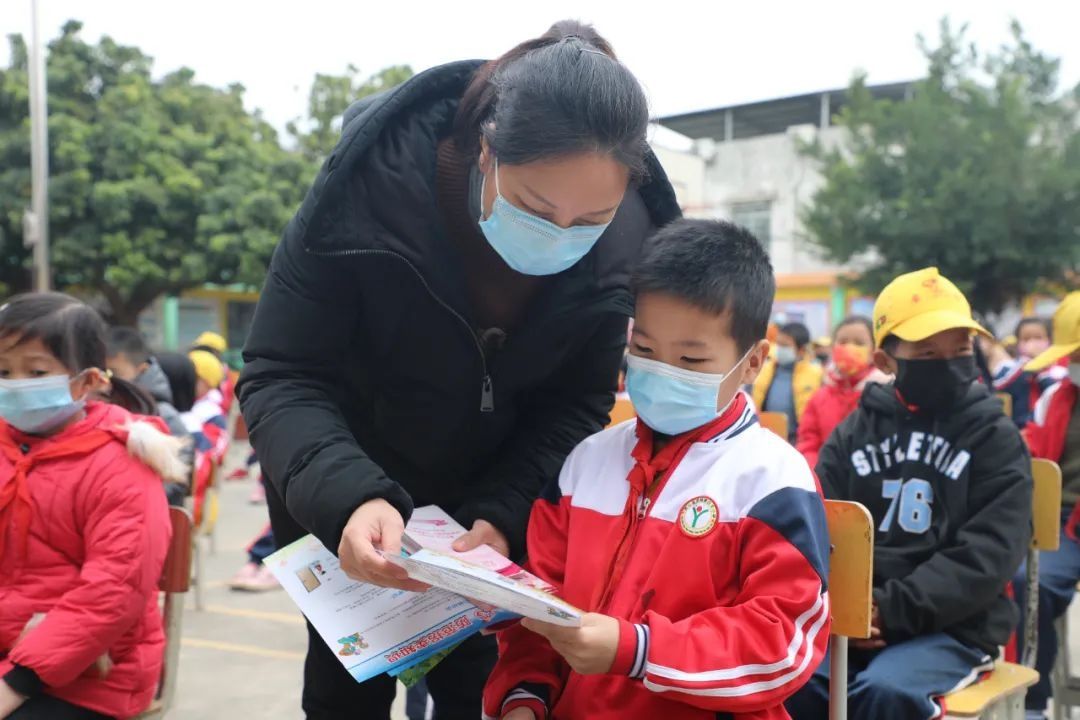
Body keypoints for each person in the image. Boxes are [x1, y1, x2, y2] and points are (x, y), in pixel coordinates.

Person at [237, 19, 679, 719]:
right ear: (485, 151)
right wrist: (351, 499)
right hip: (345, 486)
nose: (561, 234)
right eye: (536, 207)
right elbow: (281, 371)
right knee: (344, 689)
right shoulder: (361, 197)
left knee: (488, 687)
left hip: (486, 518)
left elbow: (574, 405)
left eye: (590, 217)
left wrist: (503, 515)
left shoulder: (624, 251)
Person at [483, 219, 829, 720]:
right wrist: (524, 698)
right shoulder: (587, 463)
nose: (663, 371)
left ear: (752, 363)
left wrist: (639, 650)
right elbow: (537, 607)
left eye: (690, 359)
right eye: (643, 350)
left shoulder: (771, 480)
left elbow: (781, 642)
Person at [786, 267, 1033, 720]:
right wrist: (847, 608)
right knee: (788, 680)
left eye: (961, 348)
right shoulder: (852, 433)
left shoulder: (995, 437)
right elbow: (820, 525)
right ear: (885, 362)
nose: (951, 362)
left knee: (885, 694)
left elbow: (990, 551)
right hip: (855, 621)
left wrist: (891, 610)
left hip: (954, 627)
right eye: (928, 351)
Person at [0, 292, 189, 720]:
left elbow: (112, 593)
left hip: (91, 676)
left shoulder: (121, 463)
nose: (14, 384)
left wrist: (17, 682)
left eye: (36, 371)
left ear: (88, 382)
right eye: (3, 370)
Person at [1010, 291, 1080, 719]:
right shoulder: (1056, 397)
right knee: (1025, 581)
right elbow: (1032, 451)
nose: (1070, 363)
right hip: (1064, 526)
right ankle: (1034, 702)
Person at [106, 328, 193, 506]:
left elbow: (177, 475)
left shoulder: (162, 414)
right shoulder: (102, 406)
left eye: (114, 373)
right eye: (102, 372)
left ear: (142, 370)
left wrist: (139, 500)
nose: (105, 381)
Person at [796, 316, 890, 469]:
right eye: (843, 342)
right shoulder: (820, 397)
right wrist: (817, 474)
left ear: (873, 350)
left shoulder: (885, 396)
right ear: (833, 347)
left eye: (859, 343)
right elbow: (808, 442)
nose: (849, 348)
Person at [751, 321, 823, 440]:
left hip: (797, 439)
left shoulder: (816, 374)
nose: (780, 349)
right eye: (778, 344)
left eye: (785, 346)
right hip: (766, 437)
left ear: (801, 350)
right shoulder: (765, 369)